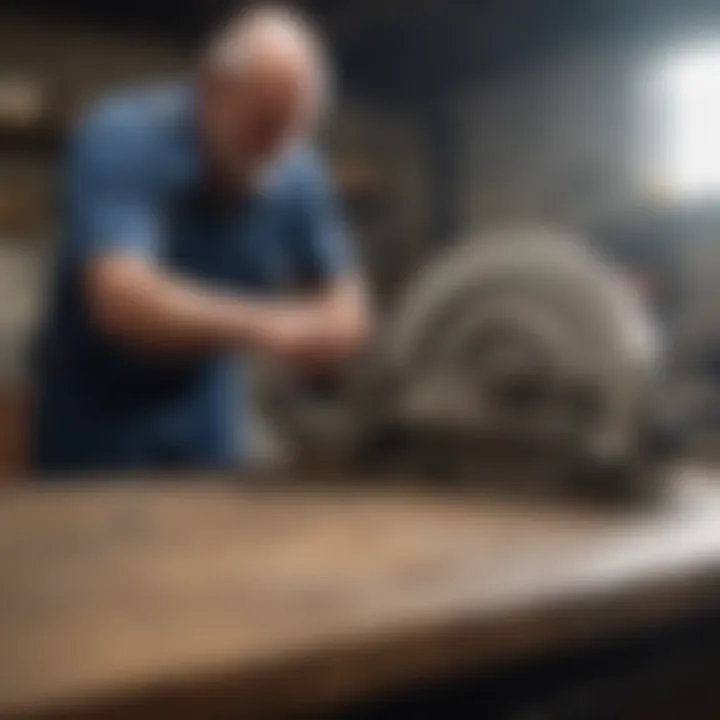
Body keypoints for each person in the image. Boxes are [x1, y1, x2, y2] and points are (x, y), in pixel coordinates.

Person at [32, 5, 371, 475]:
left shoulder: (293, 167)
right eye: (261, 129)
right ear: (211, 86)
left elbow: (348, 308)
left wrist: (329, 331)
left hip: (203, 420)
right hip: (96, 418)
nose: (274, 156)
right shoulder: (121, 136)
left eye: (291, 134)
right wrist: (276, 326)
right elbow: (123, 300)